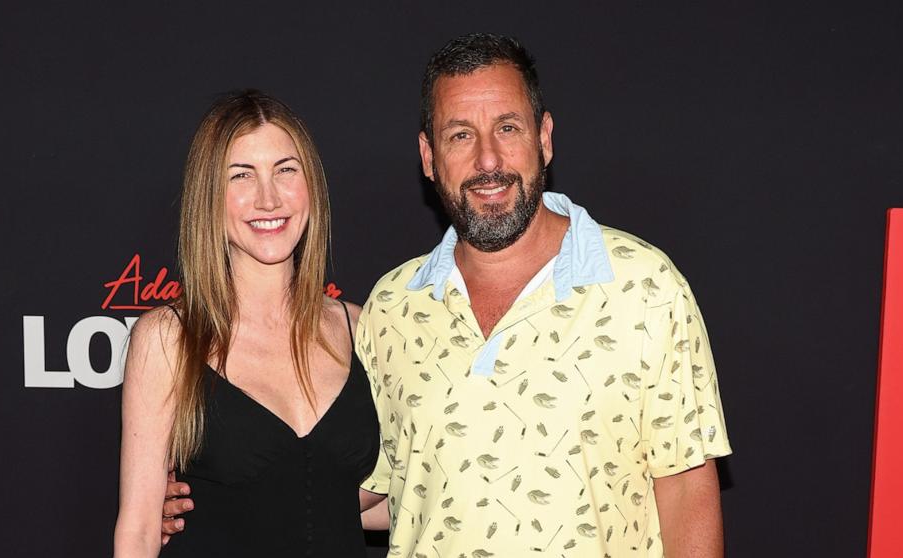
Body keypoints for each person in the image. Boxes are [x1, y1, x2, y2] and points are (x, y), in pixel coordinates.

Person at [163, 34, 731, 557]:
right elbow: (373, 491)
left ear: (545, 138)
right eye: (461, 134)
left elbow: (686, 490)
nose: (488, 160)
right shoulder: (392, 308)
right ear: (429, 156)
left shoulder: (644, 286)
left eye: (507, 127)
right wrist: (215, 498)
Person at [113, 90, 386, 558]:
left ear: (311, 186)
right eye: (241, 175)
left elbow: (362, 499)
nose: (268, 197)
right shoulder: (168, 339)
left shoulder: (364, 330)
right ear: (209, 196)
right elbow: (138, 534)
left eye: (285, 170)